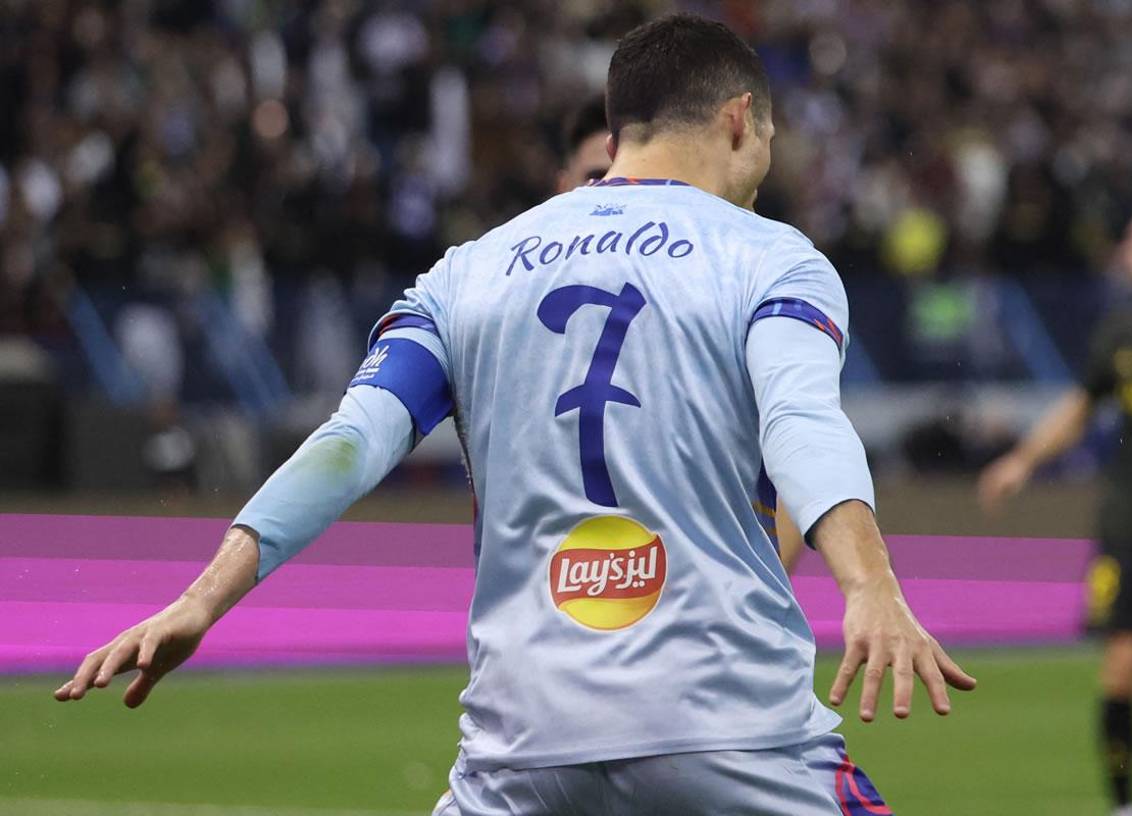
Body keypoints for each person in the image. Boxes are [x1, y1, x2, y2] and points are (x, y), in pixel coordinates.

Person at [56, 14, 974, 814]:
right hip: (729, 732)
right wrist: (869, 588)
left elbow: (349, 444)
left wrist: (200, 599)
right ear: (740, 119)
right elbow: (803, 425)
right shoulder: (774, 260)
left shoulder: (469, 272)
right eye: (768, 139)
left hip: (521, 752)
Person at [979, 209, 1132, 816]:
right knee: (1120, 672)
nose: (1129, 252)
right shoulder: (1122, 332)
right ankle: (1125, 808)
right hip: (1126, 522)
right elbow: (1081, 405)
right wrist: (1024, 458)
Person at [556, 91, 811, 575]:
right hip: (561, 611)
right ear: (562, 185)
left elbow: (795, 449)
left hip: (686, 607)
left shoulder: (725, 284)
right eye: (594, 179)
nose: (613, 190)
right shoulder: (509, 303)